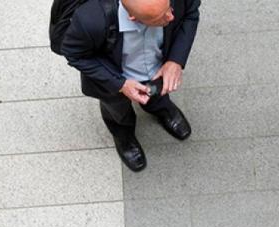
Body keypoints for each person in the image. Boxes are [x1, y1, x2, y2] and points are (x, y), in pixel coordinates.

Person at [61, 0, 201, 172]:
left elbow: (190, 14)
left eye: (169, 7)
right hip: (115, 78)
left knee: (158, 94)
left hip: (156, 68)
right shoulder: (90, 20)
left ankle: (161, 108)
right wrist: (120, 84)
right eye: (160, 17)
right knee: (117, 112)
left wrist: (175, 60)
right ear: (132, 17)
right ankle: (124, 136)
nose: (171, 16)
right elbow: (75, 54)